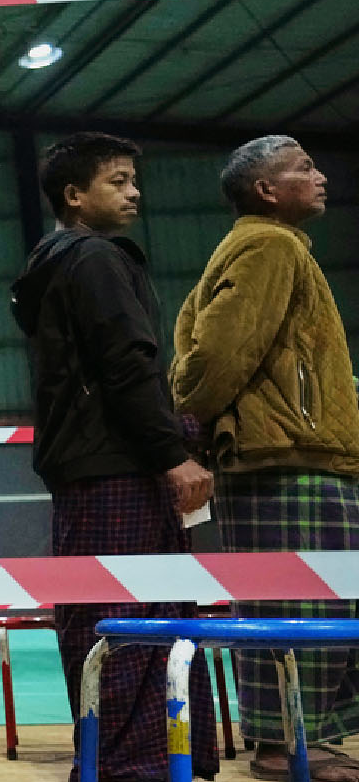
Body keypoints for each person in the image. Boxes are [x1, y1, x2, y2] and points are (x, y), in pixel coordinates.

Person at [9, 132, 219, 782]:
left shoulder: (53, 261)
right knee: (132, 624)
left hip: (92, 471)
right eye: (117, 180)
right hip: (120, 468)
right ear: (75, 195)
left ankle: (138, 760)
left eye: (134, 180)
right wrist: (172, 454)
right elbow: (127, 363)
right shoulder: (94, 258)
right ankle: (134, 766)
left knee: (108, 618)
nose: (134, 192)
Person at [172, 135, 359, 782]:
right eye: (303, 167)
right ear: (266, 190)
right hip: (283, 462)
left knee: (318, 608)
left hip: (299, 455)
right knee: (300, 610)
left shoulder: (273, 247)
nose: (320, 175)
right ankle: (284, 748)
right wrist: (192, 426)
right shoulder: (269, 246)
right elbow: (217, 354)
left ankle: (305, 742)